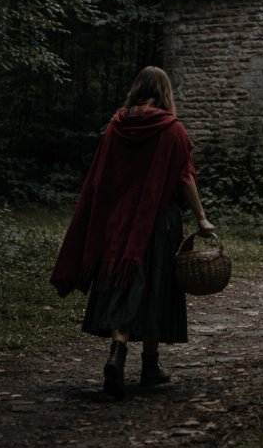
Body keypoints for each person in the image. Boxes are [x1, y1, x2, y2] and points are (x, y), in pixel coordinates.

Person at [50, 66, 215, 399]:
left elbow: (100, 178)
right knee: (154, 287)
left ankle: (124, 356)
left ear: (138, 89)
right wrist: (201, 219)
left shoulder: (116, 126)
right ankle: (146, 364)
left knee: (122, 285)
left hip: (118, 220)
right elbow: (185, 178)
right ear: (164, 91)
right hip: (158, 222)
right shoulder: (172, 129)